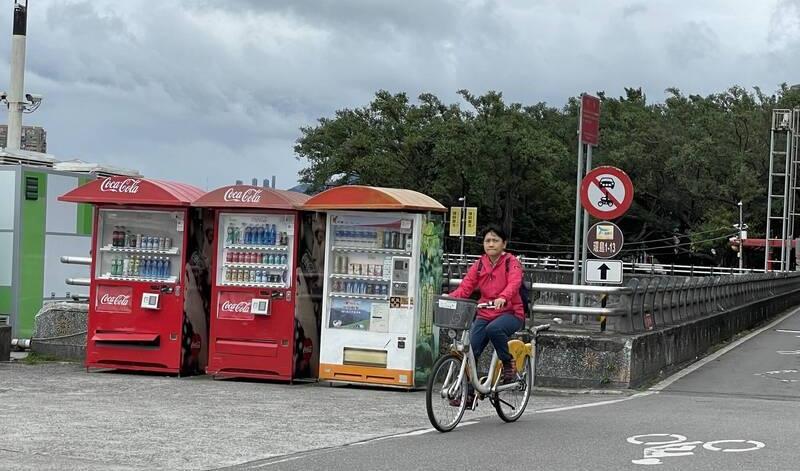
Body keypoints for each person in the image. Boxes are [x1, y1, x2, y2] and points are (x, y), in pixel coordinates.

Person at [447, 224, 525, 391]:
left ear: (503, 244)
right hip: (485, 312)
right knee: (470, 352)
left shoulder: (512, 262)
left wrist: (503, 297)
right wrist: (448, 298)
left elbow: (514, 282)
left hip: (511, 312)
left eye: (495, 240)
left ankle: (507, 362)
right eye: (487, 240)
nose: (491, 244)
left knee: (494, 329)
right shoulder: (480, 264)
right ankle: (466, 393)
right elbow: (466, 287)